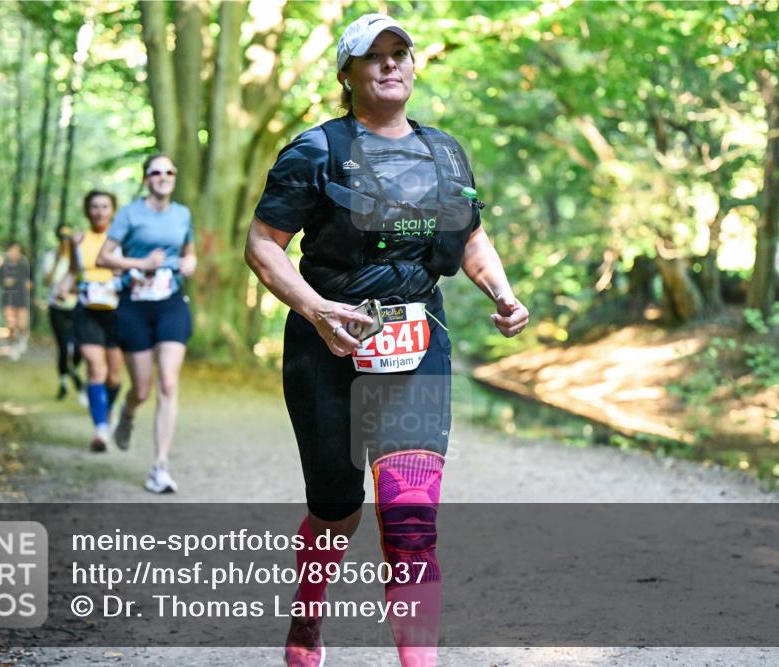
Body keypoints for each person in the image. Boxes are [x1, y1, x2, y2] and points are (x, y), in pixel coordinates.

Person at [244, 13, 529, 667]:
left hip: (417, 342)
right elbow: (263, 243)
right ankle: (308, 617)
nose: (391, 63)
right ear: (347, 73)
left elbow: (470, 237)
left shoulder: (446, 152)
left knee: (410, 522)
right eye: (375, 55)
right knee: (337, 511)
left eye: (401, 52)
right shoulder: (314, 151)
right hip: (326, 346)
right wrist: (317, 309)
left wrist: (501, 292)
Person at [96, 156, 197, 492]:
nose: (163, 177)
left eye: (170, 171)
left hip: (170, 303)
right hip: (135, 305)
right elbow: (104, 257)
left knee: (168, 383)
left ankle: (160, 466)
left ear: (175, 178)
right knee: (142, 388)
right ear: (146, 179)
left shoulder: (182, 214)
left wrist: (188, 263)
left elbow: (189, 251)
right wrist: (140, 262)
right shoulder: (129, 214)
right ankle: (127, 412)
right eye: (156, 172)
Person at [67, 191, 124, 452]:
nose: (100, 211)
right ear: (87, 211)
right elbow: (72, 272)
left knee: (114, 376)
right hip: (87, 309)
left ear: (113, 210)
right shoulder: (78, 240)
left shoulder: (123, 237)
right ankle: (100, 429)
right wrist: (60, 288)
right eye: (94, 207)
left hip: (117, 310)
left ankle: (107, 408)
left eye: (105, 206)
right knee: (95, 367)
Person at [43, 225, 85, 403]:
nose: (65, 241)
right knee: (62, 347)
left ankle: (71, 376)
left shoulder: (80, 257)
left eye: (68, 237)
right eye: (62, 237)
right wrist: (58, 261)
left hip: (77, 307)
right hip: (57, 307)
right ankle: (66, 384)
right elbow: (46, 282)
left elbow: (85, 281)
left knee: (79, 349)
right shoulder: (51, 257)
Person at [0, 242, 32, 357]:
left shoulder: (25, 266)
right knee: (11, 325)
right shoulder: (3, 266)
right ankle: (13, 347)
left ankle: (22, 340)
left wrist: (29, 285)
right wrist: (5, 283)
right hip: (8, 299)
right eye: (12, 250)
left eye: (17, 251)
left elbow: (31, 282)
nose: (14, 253)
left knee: (22, 325)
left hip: (21, 298)